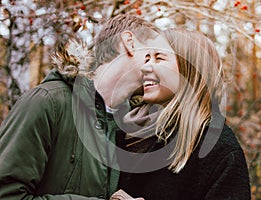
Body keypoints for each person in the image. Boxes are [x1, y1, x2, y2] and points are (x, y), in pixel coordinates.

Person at [0, 14, 162, 200]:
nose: (158, 66)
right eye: (154, 54)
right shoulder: (48, 102)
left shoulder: (128, 128)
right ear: (129, 42)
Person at [115, 29, 251, 199]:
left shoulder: (219, 149)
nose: (144, 67)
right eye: (147, 58)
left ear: (191, 69)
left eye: (159, 58)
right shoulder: (123, 128)